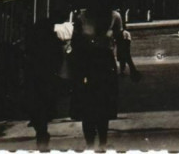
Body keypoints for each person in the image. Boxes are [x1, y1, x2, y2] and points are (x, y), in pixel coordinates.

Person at [69, 8, 119, 150]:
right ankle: (92, 143)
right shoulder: (82, 17)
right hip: (89, 64)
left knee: (100, 107)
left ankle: (100, 142)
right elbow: (75, 42)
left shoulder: (113, 16)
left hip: (101, 65)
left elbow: (118, 40)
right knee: (90, 108)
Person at [24, 18, 63, 151]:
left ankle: (41, 133)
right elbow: (59, 60)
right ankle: (42, 132)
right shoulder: (54, 42)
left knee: (37, 108)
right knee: (45, 107)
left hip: (35, 80)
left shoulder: (32, 43)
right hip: (47, 79)